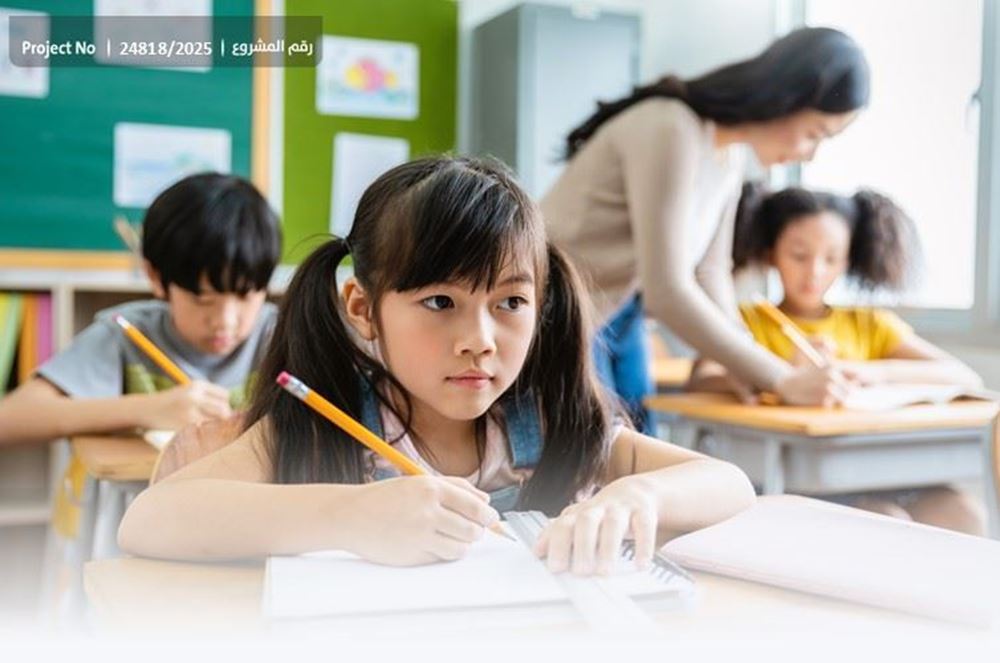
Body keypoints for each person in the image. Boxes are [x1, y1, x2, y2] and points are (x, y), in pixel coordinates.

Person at [118, 156, 755, 574]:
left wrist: (635, 493)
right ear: (364, 310)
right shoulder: (330, 422)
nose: (479, 339)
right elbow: (151, 520)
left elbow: (731, 485)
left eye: (510, 302)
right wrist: (351, 516)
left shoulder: (547, 419)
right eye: (440, 302)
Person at [542, 27, 871, 429]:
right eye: (815, 133)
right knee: (598, 459)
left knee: (634, 454)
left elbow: (709, 271)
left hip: (616, 312)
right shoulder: (671, 128)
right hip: (556, 311)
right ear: (787, 98)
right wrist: (781, 378)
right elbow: (667, 289)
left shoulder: (728, 157)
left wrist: (745, 361)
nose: (811, 153)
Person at [690, 184, 984, 534]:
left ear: (849, 260)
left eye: (831, 258)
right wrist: (778, 376)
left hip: (878, 466)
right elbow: (701, 378)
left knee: (965, 512)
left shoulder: (869, 324)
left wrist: (866, 372)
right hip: (800, 478)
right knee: (887, 520)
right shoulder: (749, 322)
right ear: (772, 253)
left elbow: (962, 376)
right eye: (799, 256)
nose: (814, 271)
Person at [0, 172, 282, 536]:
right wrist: (150, 409)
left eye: (246, 297)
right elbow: (11, 419)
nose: (225, 322)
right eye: (202, 299)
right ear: (155, 276)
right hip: (121, 529)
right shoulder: (125, 334)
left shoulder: (280, 337)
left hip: (233, 529)